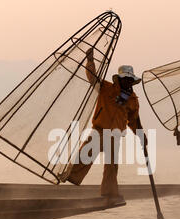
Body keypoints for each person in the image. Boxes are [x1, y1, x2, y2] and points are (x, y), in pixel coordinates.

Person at [58, 48, 144, 198]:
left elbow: (134, 120)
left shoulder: (133, 100)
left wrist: (141, 136)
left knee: (111, 166)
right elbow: (92, 77)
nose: (127, 81)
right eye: (125, 79)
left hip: (115, 135)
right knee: (85, 154)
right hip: (99, 130)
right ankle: (69, 178)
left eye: (130, 79)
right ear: (119, 79)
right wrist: (90, 61)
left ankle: (109, 192)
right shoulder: (106, 88)